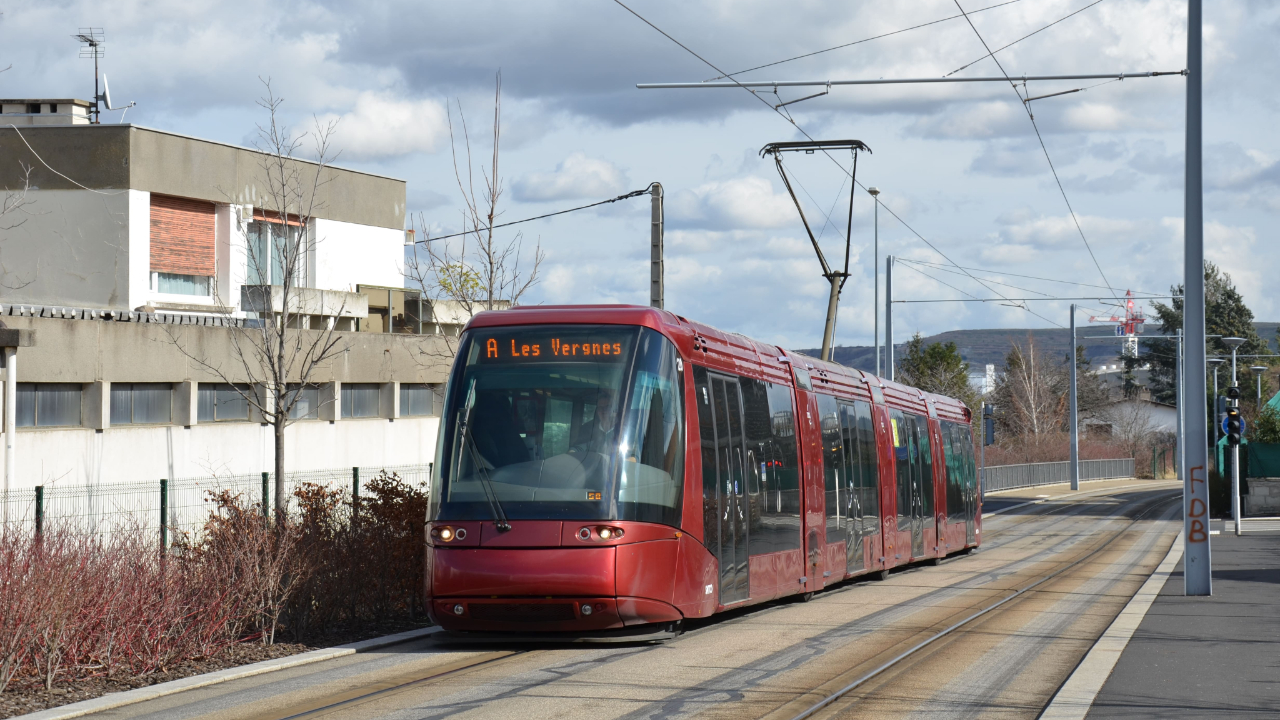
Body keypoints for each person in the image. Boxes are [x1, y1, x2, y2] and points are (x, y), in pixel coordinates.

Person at [572, 387, 619, 454]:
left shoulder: (625, 430)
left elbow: (632, 455)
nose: (603, 411)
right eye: (600, 408)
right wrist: (572, 452)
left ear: (615, 410)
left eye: (607, 407)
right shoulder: (587, 428)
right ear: (597, 411)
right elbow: (579, 447)